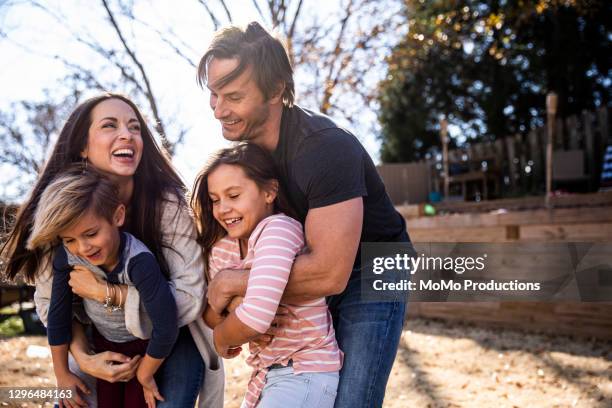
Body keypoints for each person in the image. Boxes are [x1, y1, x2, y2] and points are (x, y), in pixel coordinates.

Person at [197, 22, 412, 407]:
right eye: (214, 95)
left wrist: (233, 282)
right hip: (306, 263)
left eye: (232, 96)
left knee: (352, 400)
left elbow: (330, 273)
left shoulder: (325, 149)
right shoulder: (249, 162)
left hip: (373, 268)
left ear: (276, 89)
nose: (218, 110)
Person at [0, 93, 223, 408]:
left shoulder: (167, 204)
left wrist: (110, 293)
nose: (126, 134)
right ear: (82, 146)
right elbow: (52, 302)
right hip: (99, 337)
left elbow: (188, 298)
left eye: (134, 127)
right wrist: (83, 358)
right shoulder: (63, 207)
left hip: (171, 336)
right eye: (110, 125)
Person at [192, 143, 343, 408]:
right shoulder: (223, 250)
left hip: (305, 370)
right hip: (266, 375)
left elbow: (254, 320)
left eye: (234, 195)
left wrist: (221, 337)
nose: (223, 208)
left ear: (269, 191)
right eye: (215, 200)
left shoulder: (278, 230)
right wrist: (229, 311)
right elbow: (212, 314)